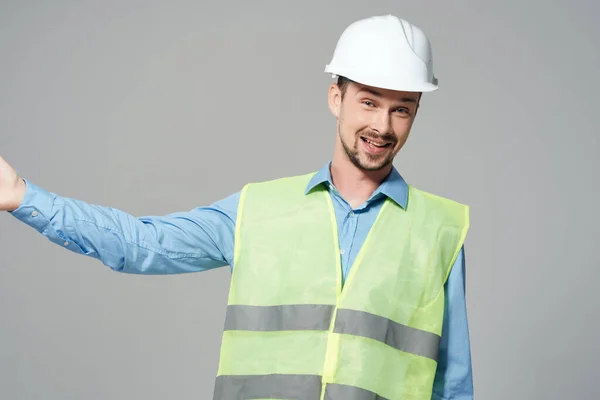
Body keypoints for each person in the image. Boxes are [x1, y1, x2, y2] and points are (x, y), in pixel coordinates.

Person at [1, 14, 473, 400]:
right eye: (369, 102)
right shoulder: (257, 211)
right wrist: (24, 196)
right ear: (337, 98)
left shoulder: (441, 230)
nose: (382, 126)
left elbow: (453, 385)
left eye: (402, 108)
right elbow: (141, 244)